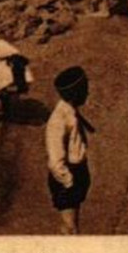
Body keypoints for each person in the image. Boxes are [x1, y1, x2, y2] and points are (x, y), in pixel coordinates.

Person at [45, 66, 93, 234]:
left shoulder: (70, 111)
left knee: (72, 227)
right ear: (75, 94)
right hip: (67, 178)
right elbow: (55, 161)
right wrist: (69, 183)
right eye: (85, 90)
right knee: (70, 229)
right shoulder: (58, 120)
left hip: (76, 173)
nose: (88, 94)